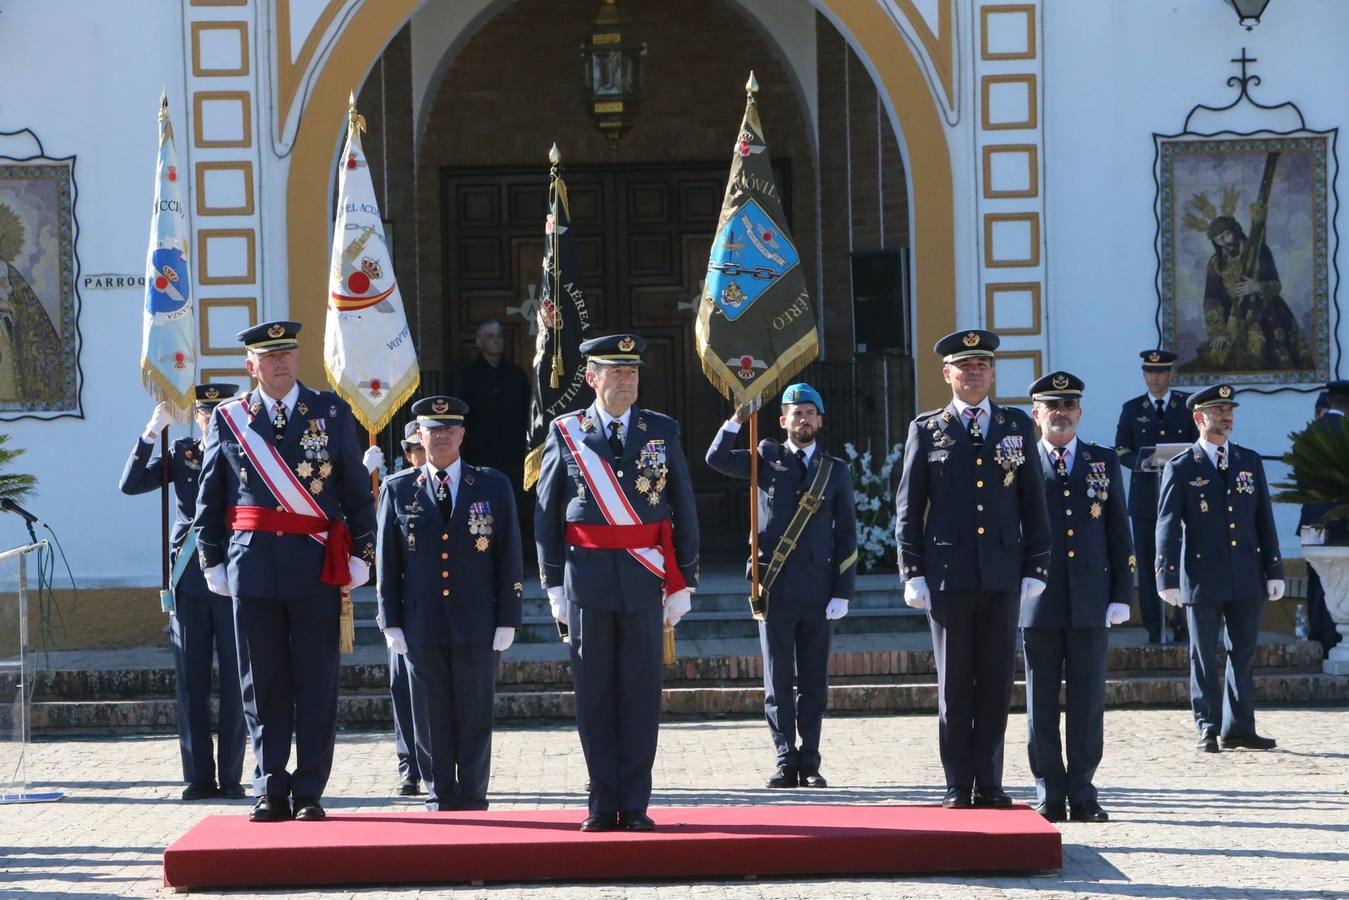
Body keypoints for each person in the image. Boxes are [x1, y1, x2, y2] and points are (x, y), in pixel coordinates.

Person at [194, 320, 377, 822]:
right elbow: (210, 497)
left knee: (316, 683)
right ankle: (270, 786)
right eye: (268, 357)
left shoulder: (331, 412)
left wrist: (363, 554)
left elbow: (356, 492)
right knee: (261, 682)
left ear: (297, 358)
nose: (280, 363)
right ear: (250, 366)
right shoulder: (229, 418)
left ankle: (310, 790)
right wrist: (212, 559)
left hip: (315, 565)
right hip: (252, 566)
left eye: (287, 354)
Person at [534, 333, 699, 832]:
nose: (627, 380)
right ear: (592, 377)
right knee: (595, 695)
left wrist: (684, 581)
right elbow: (546, 514)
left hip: (645, 580)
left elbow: (683, 505)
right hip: (587, 582)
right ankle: (602, 803)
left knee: (641, 694)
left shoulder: (661, 429)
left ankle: (636, 803)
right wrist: (553, 585)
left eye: (632, 372)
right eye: (616, 372)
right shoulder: (566, 431)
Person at [895, 329, 1051, 809]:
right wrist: (912, 571)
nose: (975, 373)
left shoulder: (1015, 426)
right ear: (948, 374)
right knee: (955, 682)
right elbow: (909, 507)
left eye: (982, 365)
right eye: (965, 366)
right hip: (948, 573)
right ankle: (958, 783)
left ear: (993, 373)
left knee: (997, 679)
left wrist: (1037, 563)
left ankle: (991, 780)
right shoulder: (928, 429)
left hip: (1003, 572)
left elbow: (1033, 500)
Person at [705, 383, 857, 790]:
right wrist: (738, 418)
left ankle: (811, 760)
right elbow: (716, 459)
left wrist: (843, 591)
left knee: (813, 682)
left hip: (819, 590)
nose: (803, 419)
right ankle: (785, 758)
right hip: (773, 587)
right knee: (777, 681)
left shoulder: (835, 470)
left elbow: (846, 534)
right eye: (796, 413)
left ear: (820, 420)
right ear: (782, 420)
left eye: (809, 413)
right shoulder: (765, 458)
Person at [377, 395, 523, 811]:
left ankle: (474, 793)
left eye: (448, 428)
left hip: (477, 619)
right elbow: (388, 561)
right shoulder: (398, 488)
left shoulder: (492, 485)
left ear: (462, 434)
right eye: (432, 429)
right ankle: (439, 793)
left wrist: (508, 617)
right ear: (419, 436)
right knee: (429, 713)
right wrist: (390, 621)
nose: (441, 436)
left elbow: (509, 553)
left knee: (475, 711)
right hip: (420, 621)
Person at [120, 383, 247, 802]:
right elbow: (131, 484)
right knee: (191, 683)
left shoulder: (246, 452)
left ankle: (231, 776)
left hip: (232, 576)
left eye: (218, 412)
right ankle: (198, 776)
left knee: (236, 682)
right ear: (197, 417)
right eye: (205, 413)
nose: (211, 419)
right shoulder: (183, 452)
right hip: (189, 579)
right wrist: (150, 434)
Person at [1023, 372, 1134, 823]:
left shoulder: (1101, 461)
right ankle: (1049, 791)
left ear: (1080, 412)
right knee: (1041, 701)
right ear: (1036, 414)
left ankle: (1084, 792)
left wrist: (1122, 593)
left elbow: (1118, 530)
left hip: (1091, 598)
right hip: (1038, 599)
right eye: (1052, 406)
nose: (1061, 413)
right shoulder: (1020, 462)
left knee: (1088, 702)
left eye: (1068, 406)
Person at [1156, 383, 1285, 753]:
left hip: (1246, 571)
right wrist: (1166, 576)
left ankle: (1240, 727)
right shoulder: (1182, 466)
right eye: (1218, 411)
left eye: (1229, 410)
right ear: (1199, 418)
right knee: (1203, 655)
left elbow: (1263, 519)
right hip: (1202, 574)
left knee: (1242, 653)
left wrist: (1274, 568)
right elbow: (1167, 525)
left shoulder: (1248, 461)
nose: (1226, 417)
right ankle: (1209, 726)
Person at [1115, 350, 1196, 644]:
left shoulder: (1186, 405)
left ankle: (1182, 620)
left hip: (1182, 497)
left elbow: (1198, 445)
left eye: (1160, 372)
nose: (1155, 377)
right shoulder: (1132, 408)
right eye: (1150, 372)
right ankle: (1153, 625)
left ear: (1170, 374)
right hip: (1146, 499)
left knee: (1183, 559)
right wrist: (1143, 462)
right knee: (1149, 562)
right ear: (1144, 374)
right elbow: (1121, 449)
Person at [1191, 215, 1313, 373]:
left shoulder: (1260, 252)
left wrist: (1258, 286)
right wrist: (1218, 332)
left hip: (1268, 314)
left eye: (1226, 235)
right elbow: (1211, 300)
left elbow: (1276, 284)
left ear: (1236, 230)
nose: (1224, 242)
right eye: (1218, 239)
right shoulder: (1216, 263)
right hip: (1234, 318)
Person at [457, 320, 531, 532]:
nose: (496, 340)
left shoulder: (516, 375)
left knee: (514, 511)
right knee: (481, 513)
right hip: (479, 456)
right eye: (490, 336)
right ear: (480, 342)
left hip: (513, 457)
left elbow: (527, 413)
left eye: (499, 335)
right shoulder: (467, 375)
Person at [1295, 383, 1347, 659]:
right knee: (1341, 581)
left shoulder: (1308, 434)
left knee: (1317, 581)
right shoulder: (1345, 432)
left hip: (1312, 520)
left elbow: (1300, 479)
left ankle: (1318, 641)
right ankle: (1337, 640)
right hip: (1341, 520)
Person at [387, 419, 425, 796]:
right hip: (404, 604)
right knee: (403, 687)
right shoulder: (395, 489)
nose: (422, 455)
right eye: (415, 450)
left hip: (444, 606)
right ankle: (409, 766)